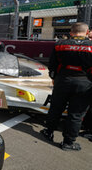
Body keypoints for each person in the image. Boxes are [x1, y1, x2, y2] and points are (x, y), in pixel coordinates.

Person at [40, 22, 92, 151]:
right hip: (84, 84)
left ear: (71, 32)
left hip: (62, 80)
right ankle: (68, 143)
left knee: (55, 108)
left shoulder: (60, 44)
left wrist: (54, 78)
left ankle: (48, 132)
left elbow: (52, 64)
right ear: (87, 32)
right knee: (76, 114)